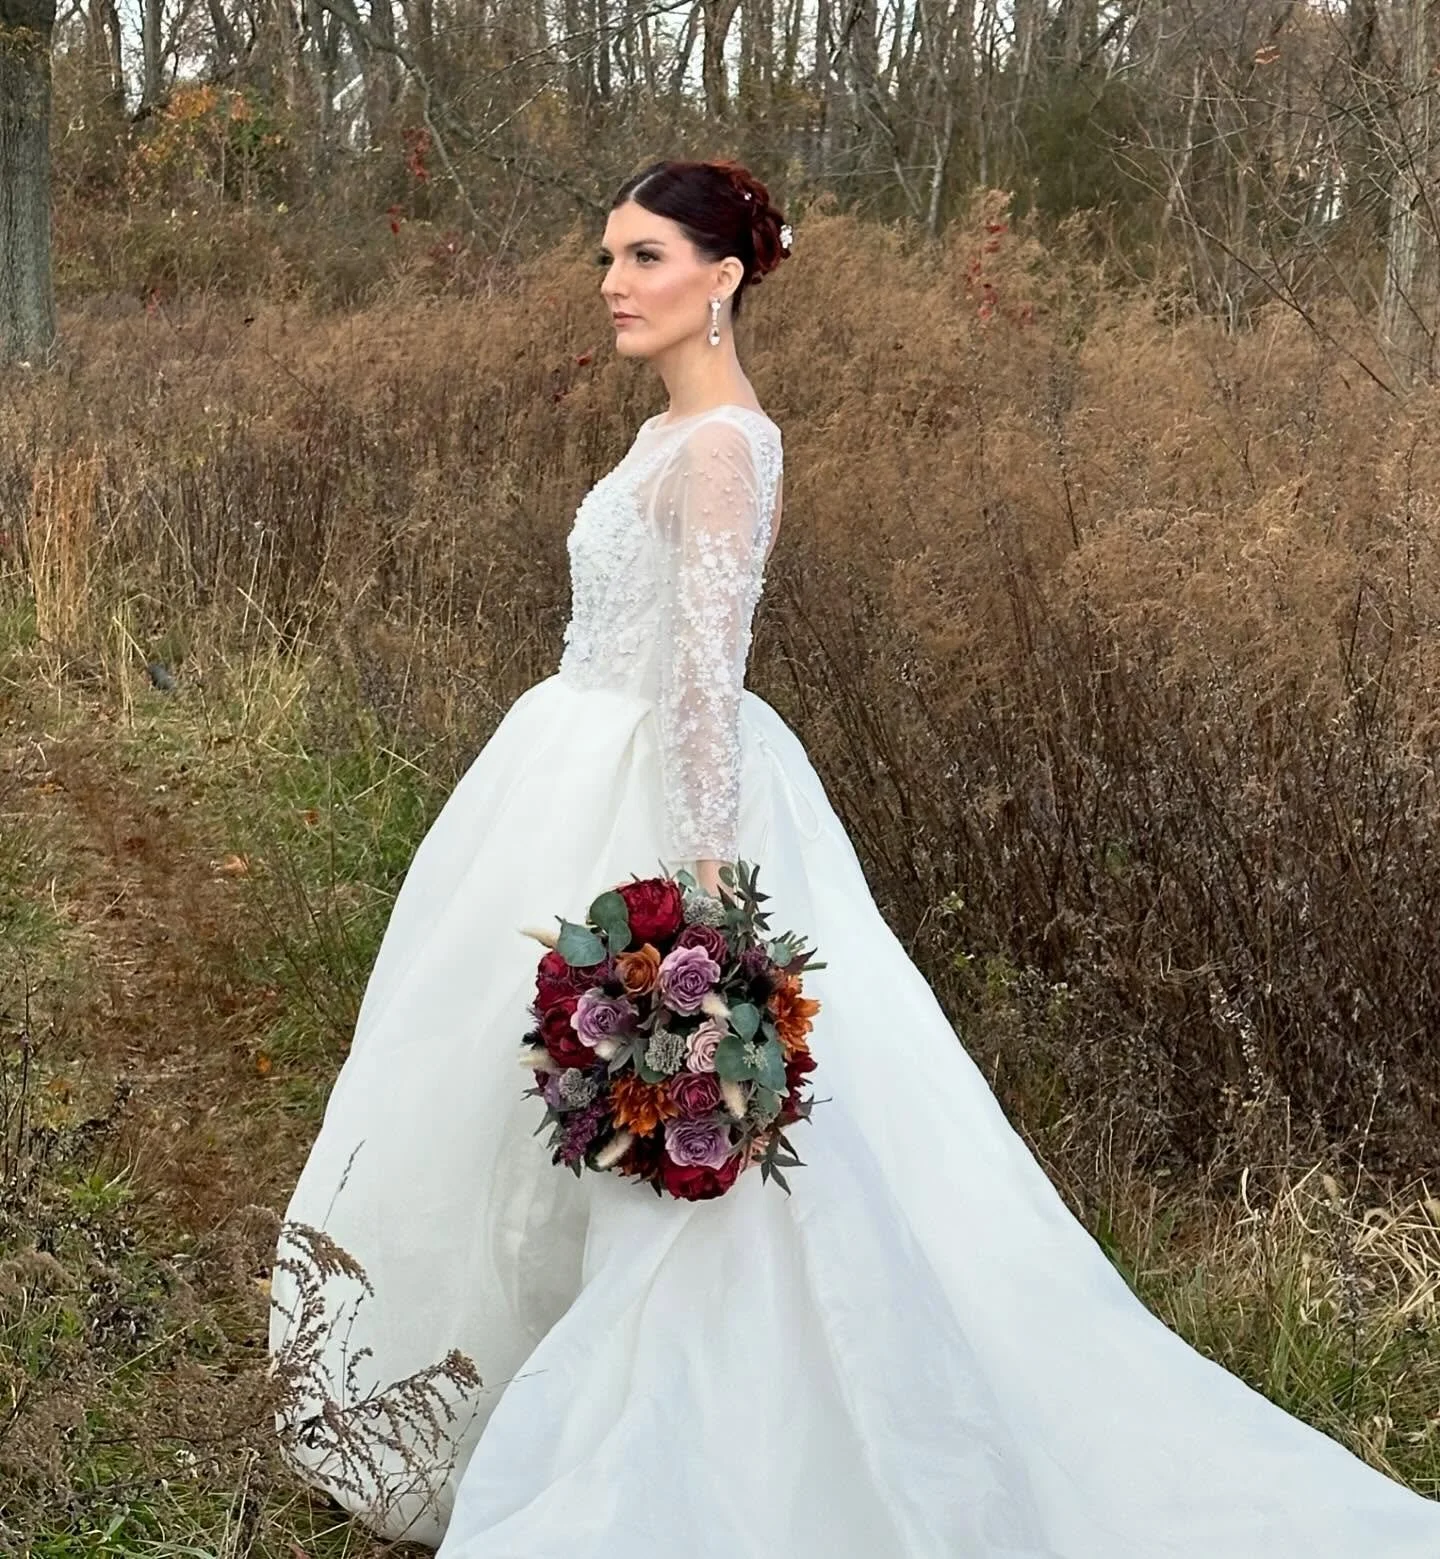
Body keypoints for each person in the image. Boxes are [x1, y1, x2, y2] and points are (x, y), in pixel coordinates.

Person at [268, 158, 1440, 1557]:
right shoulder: (663, 436)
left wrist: (695, 927)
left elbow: (705, 683)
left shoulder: (725, 445)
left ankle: (684, 1451)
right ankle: (488, 1390)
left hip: (660, 799)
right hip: (563, 769)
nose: (613, 286)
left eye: (644, 258)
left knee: (689, 1152)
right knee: (503, 1097)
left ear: (724, 276)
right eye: (606, 259)